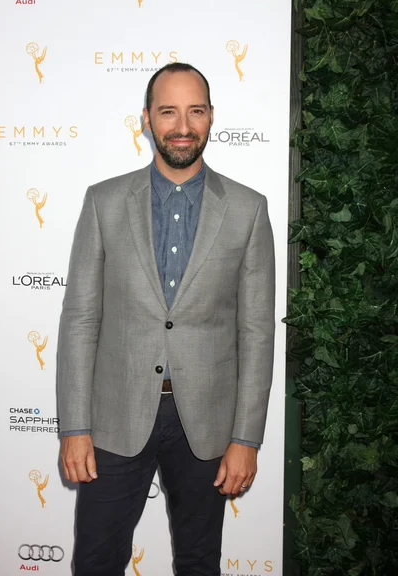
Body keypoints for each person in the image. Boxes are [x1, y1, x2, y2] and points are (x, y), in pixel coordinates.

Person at [57, 62, 276, 576]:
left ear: (211, 117)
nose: (182, 126)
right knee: (95, 561)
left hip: (207, 423)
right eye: (169, 112)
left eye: (195, 111)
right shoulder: (104, 202)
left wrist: (246, 439)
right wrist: (75, 426)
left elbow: (257, 332)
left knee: (199, 562)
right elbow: (81, 319)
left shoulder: (248, 209)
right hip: (113, 417)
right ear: (147, 120)